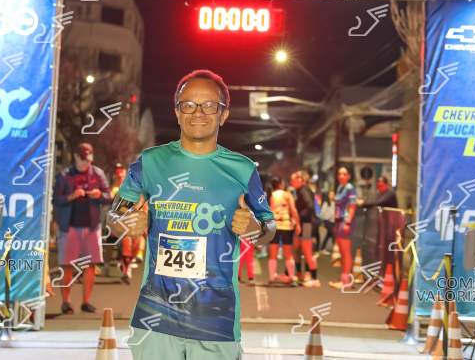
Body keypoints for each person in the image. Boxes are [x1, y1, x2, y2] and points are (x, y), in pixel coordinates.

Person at [107, 69, 275, 360]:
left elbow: (269, 226)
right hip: (155, 320)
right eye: (188, 104)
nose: (198, 112)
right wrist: (124, 223)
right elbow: (114, 215)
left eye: (209, 105)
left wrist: (255, 228)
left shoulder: (243, 170)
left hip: (216, 321)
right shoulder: (149, 162)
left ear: (223, 114)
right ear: (177, 112)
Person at [53, 142, 112, 314]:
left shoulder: (98, 174)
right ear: (76, 158)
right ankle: (66, 302)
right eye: (84, 159)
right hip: (69, 227)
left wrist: (99, 195)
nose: (87, 163)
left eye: (89, 159)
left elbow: (109, 196)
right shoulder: (65, 175)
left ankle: (86, 301)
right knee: (67, 266)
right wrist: (72, 196)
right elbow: (56, 199)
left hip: (92, 227)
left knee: (91, 265)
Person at [290, 170, 320, 287]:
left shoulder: (303, 190)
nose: (292, 181)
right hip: (303, 223)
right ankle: (299, 274)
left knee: (307, 251)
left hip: (306, 224)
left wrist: (298, 216)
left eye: (294, 178)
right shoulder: (300, 190)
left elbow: (310, 207)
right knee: (296, 249)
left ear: (301, 180)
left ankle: (314, 278)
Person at [268, 176, 300, 286]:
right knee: (288, 253)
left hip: (274, 225)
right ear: (280, 184)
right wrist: (297, 223)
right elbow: (293, 210)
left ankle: (272, 278)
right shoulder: (287, 195)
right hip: (286, 225)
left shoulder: (271, 195)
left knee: (273, 252)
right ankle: (291, 277)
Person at [329, 166, 357, 289]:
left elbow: (353, 206)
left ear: (349, 176)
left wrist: (348, 222)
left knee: (346, 252)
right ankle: (343, 279)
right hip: (338, 221)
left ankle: (346, 282)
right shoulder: (340, 187)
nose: (341, 176)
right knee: (342, 251)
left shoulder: (350, 188)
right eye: (339, 174)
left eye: (344, 174)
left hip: (345, 221)